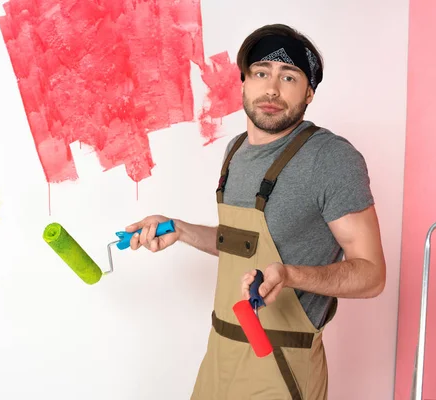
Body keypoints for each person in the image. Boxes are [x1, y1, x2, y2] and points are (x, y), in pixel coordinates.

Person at [125, 24, 386, 399]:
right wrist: (181, 230)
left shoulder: (330, 159)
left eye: (289, 77)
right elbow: (242, 244)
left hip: (281, 365)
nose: (272, 89)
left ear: (309, 92)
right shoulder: (236, 151)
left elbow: (371, 275)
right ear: (243, 82)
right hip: (220, 354)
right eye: (261, 73)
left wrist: (290, 274)